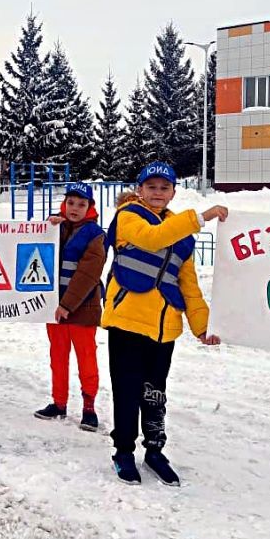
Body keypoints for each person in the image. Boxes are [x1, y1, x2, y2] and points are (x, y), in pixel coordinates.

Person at [102, 162, 227, 486]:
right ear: (140, 190)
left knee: (155, 394)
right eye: (152, 187)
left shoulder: (181, 234)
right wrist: (200, 218)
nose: (158, 193)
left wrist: (202, 326)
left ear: (173, 192)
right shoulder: (128, 217)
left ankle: (155, 450)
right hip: (127, 322)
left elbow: (188, 284)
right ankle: (124, 451)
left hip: (164, 328)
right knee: (127, 391)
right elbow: (153, 239)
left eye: (164, 188)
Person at [35, 182, 107, 431]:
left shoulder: (95, 234)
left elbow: (88, 274)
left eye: (81, 204)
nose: (75, 208)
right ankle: (59, 402)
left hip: (81, 309)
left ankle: (89, 407)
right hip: (53, 308)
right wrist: (48, 225)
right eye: (71, 203)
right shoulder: (57, 227)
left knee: (86, 359)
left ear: (90, 207)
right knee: (58, 357)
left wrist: (67, 304)